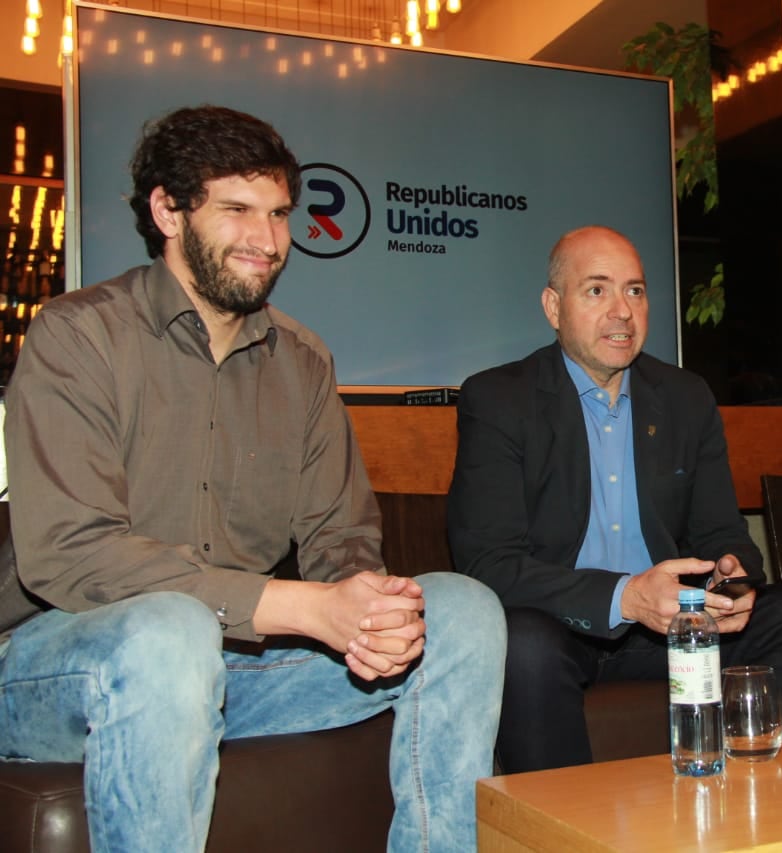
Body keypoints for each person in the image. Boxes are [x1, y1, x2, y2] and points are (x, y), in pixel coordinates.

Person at [0, 105, 505, 852]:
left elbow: (341, 537)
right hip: (58, 667)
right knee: (171, 634)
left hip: (236, 666)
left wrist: (364, 608)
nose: (269, 241)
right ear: (167, 210)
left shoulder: (302, 361)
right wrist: (299, 604)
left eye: (278, 214)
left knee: (462, 609)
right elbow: (72, 552)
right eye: (237, 210)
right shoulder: (78, 336)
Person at [447, 225, 782, 772]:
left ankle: (758, 809)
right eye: (597, 290)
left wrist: (731, 573)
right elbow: (488, 563)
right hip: (565, 627)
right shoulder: (499, 399)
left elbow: (723, 533)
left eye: (635, 290)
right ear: (553, 307)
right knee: (523, 643)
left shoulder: (683, 396)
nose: (622, 311)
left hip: (675, 622)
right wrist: (624, 597)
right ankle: (566, 831)